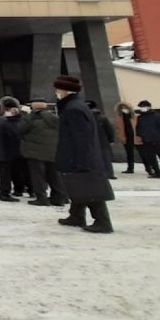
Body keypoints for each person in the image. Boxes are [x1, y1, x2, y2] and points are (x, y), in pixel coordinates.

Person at [53, 75, 114, 233]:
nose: (57, 92)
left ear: (66, 91)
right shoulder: (75, 106)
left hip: (80, 156)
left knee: (90, 189)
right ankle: (76, 215)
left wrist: (81, 160)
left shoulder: (74, 109)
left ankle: (102, 221)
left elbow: (81, 137)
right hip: (80, 155)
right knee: (79, 186)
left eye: (58, 89)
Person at [19, 99, 67, 206]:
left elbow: (20, 129)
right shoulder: (54, 118)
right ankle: (59, 198)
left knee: (38, 176)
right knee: (54, 176)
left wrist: (25, 115)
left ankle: (41, 198)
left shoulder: (30, 119)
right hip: (52, 151)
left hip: (34, 152)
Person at [135, 100, 160, 179]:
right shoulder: (140, 117)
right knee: (151, 157)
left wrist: (158, 136)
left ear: (149, 107)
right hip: (146, 140)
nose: (142, 108)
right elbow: (138, 128)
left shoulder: (156, 116)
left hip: (157, 140)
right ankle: (157, 172)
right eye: (141, 107)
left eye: (144, 107)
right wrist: (140, 135)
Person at [86, 100, 117, 180]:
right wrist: (111, 140)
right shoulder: (102, 118)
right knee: (106, 158)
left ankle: (97, 173)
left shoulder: (85, 118)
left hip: (91, 142)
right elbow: (109, 130)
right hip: (103, 141)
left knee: (94, 158)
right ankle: (109, 173)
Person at [114, 102, 137, 174]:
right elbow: (117, 128)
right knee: (129, 153)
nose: (124, 109)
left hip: (135, 137)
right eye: (122, 108)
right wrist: (120, 137)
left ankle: (149, 167)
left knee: (144, 153)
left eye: (125, 108)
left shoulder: (133, 116)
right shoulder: (119, 117)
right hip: (126, 137)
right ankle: (130, 168)